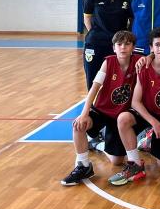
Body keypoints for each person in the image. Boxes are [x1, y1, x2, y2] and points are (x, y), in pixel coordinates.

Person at [108, 27, 160, 186]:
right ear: (151, 47)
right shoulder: (144, 68)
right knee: (123, 118)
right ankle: (135, 164)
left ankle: (147, 140)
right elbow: (135, 102)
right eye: (157, 45)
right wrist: (154, 123)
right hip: (149, 113)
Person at [60, 30, 140, 186]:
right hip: (102, 110)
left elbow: (155, 57)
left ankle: (97, 144)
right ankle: (83, 165)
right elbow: (94, 89)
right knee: (78, 125)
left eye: (127, 44)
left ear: (133, 47)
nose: (123, 47)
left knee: (117, 161)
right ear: (114, 48)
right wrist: (84, 114)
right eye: (119, 44)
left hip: (121, 115)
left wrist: (150, 56)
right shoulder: (108, 63)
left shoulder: (139, 62)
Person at [82, 0, 133, 90]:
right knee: (93, 81)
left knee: (115, 81)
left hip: (117, 46)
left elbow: (132, 20)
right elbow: (87, 18)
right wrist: (96, 33)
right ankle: (93, 103)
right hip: (95, 44)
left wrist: (123, 38)